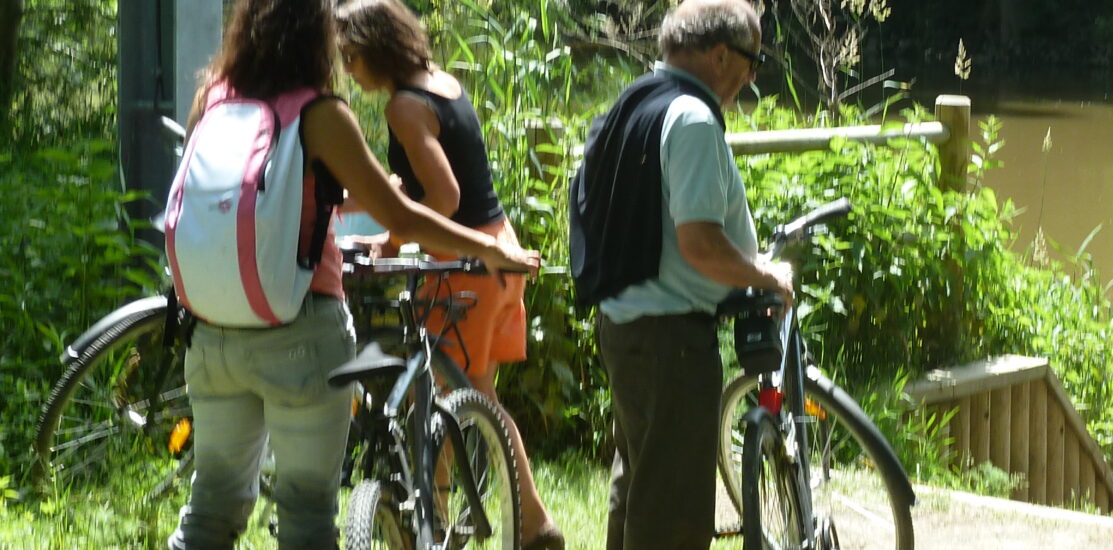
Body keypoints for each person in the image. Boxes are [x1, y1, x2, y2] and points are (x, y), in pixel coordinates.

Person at [167, 0, 540, 548]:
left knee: (209, 508)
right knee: (306, 513)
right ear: (315, 39)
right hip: (299, 330)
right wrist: (487, 248)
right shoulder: (319, 114)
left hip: (211, 332)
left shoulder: (213, 100)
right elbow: (404, 216)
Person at [332, 2, 562, 547]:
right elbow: (424, 175)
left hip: (465, 268)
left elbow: (443, 196)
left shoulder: (403, 109)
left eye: (350, 56)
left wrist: (390, 239)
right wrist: (358, 197)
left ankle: (428, 524)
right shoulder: (443, 86)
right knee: (477, 398)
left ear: (373, 49)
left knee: (431, 399)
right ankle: (533, 522)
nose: (347, 69)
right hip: (498, 251)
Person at [569, 0, 788, 548]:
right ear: (720, 54)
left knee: (640, 487)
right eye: (752, 59)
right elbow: (701, 244)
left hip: (626, 328)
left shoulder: (632, 102)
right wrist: (764, 276)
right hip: (671, 343)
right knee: (675, 515)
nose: (751, 75)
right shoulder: (690, 117)